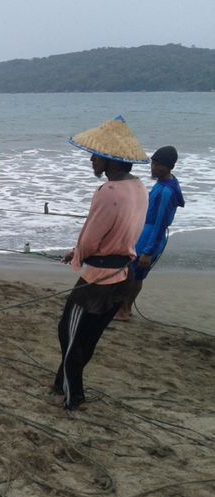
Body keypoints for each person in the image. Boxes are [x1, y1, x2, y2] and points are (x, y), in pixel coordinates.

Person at [52, 116, 149, 411]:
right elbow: (116, 233)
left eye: (96, 157)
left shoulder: (109, 192)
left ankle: (74, 397)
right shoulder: (140, 188)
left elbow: (93, 238)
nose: (92, 161)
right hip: (123, 275)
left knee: (69, 336)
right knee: (87, 337)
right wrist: (77, 251)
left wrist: (80, 253)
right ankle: (60, 384)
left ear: (110, 161)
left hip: (98, 279)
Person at [116, 146, 185, 320]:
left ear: (167, 167)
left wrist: (148, 251)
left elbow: (160, 223)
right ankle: (125, 309)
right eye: (153, 163)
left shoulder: (166, 191)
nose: (152, 168)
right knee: (135, 274)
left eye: (156, 165)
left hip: (150, 236)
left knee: (132, 274)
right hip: (146, 232)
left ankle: (124, 310)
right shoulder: (164, 183)